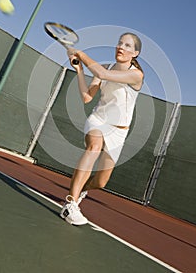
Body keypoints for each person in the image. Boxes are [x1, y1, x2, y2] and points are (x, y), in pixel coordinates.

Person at [60, 32, 144, 225]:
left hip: (119, 131)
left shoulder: (136, 75)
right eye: (119, 43)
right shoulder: (105, 67)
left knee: (101, 182)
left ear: (135, 53)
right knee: (94, 147)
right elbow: (87, 97)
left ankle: (80, 190)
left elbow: (103, 75)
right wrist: (80, 69)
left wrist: (80, 53)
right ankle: (71, 204)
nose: (121, 47)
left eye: (127, 46)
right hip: (98, 121)